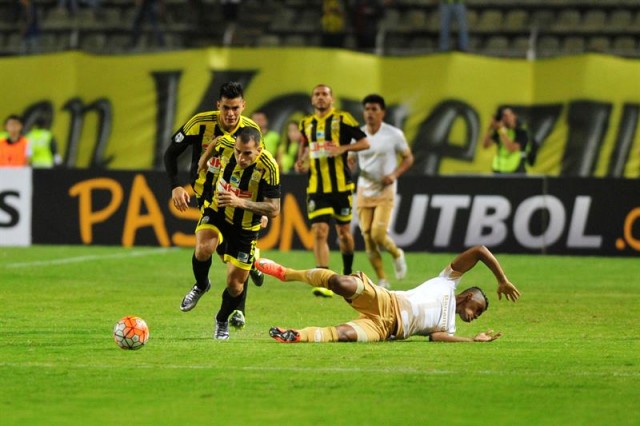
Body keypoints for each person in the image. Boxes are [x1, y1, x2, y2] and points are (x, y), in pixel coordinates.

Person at [256, 245, 520, 343]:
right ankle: (287, 273)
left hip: (385, 328)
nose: (476, 316)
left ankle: (295, 335)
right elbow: (480, 251)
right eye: (478, 309)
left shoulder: (449, 326)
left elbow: (437, 337)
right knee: (340, 283)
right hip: (386, 300)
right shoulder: (448, 281)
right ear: (467, 297)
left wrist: (473, 341)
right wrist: (502, 279)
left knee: (344, 334)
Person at [164, 81, 265, 328]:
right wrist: (176, 186)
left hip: (239, 199)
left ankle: (238, 310)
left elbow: (261, 169)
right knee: (206, 249)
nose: (230, 114)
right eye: (226, 108)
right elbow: (171, 153)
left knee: (235, 258)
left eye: (235, 108)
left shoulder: (251, 130)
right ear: (218, 105)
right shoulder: (201, 123)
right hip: (210, 198)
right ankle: (202, 284)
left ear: (243, 106)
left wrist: (260, 207)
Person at [190, 126, 280, 340]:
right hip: (218, 211)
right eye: (239, 151)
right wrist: (201, 164)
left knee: (235, 285)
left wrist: (241, 202)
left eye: (247, 153)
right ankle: (201, 285)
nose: (240, 157)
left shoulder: (269, 167)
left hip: (246, 227)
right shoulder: (228, 145)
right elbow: (215, 143)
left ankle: (221, 319)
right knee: (203, 248)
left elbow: (274, 209)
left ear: (259, 150)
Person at [295, 84, 370, 296]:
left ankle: (347, 272)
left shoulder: (343, 119)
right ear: (312, 100)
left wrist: (344, 148)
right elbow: (306, 145)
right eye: (317, 94)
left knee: (344, 235)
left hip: (341, 186)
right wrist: (301, 160)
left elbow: (364, 142)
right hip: (316, 187)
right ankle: (324, 279)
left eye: (324, 94)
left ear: (332, 99)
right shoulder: (306, 123)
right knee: (319, 231)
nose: (320, 98)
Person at [353, 94, 414, 289]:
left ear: (382, 112)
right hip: (364, 189)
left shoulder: (394, 134)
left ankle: (397, 254)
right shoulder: (358, 135)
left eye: (374, 109)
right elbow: (351, 160)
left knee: (378, 234)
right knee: (368, 238)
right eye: (367, 109)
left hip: (385, 190)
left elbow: (408, 158)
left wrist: (394, 174)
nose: (370, 113)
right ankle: (383, 279)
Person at [482, 107, 529, 174]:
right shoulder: (499, 131)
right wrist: (489, 128)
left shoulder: (521, 133)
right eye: (503, 116)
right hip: (499, 169)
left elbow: (511, 148)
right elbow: (485, 145)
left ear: (514, 116)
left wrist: (501, 129)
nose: (505, 118)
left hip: (515, 170)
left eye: (508, 115)